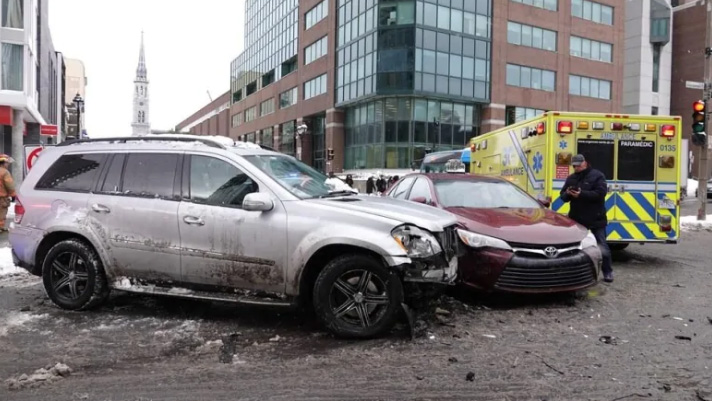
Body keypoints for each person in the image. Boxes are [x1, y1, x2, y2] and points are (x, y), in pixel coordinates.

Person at [560, 154, 613, 283]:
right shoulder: (571, 178)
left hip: (596, 218)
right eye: (574, 166)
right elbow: (562, 197)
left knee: (602, 247)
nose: (576, 167)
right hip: (577, 218)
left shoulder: (597, 175)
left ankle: (608, 272)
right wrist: (567, 193)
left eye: (578, 165)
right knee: (573, 247)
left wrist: (581, 194)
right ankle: (572, 273)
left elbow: (600, 194)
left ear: (585, 163)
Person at [0, 154, 16, 232]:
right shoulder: (5, 172)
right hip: (1, 197)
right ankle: (0, 227)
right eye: (7, 163)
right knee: (1, 212)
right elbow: (9, 185)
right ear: (3, 163)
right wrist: (13, 195)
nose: (8, 164)